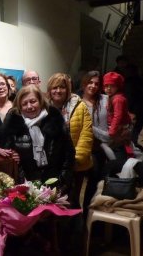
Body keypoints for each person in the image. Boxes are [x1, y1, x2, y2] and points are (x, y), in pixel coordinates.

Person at [2, 85, 75, 189]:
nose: (29, 106)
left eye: (33, 101)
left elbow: (69, 154)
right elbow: (8, 157)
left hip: (56, 183)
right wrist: (23, 183)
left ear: (40, 101)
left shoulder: (55, 119)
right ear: (19, 106)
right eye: (24, 104)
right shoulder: (13, 125)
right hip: (26, 185)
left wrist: (62, 180)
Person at [47, 73, 93, 208]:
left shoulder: (80, 106)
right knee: (51, 199)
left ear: (67, 89)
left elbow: (86, 136)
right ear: (49, 90)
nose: (58, 90)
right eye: (54, 87)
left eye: (62, 87)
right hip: (52, 164)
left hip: (75, 165)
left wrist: (74, 160)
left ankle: (74, 227)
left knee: (72, 200)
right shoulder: (44, 108)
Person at [80, 71, 112, 212]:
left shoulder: (106, 99)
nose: (93, 86)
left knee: (97, 183)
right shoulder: (77, 102)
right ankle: (79, 218)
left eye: (96, 83)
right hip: (86, 147)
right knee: (81, 182)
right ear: (84, 83)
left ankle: (90, 214)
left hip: (104, 148)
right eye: (90, 82)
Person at [103, 71, 133, 159]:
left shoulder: (118, 99)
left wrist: (112, 131)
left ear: (118, 87)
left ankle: (121, 166)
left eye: (112, 86)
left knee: (119, 148)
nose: (108, 88)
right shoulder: (112, 97)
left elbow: (118, 116)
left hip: (120, 129)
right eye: (106, 86)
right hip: (118, 128)